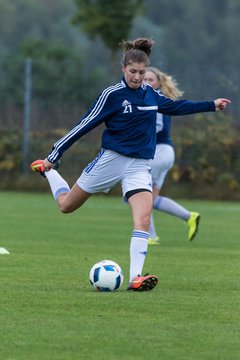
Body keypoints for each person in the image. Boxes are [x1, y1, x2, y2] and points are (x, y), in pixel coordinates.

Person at [30, 38, 230, 292]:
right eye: (133, 72)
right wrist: (54, 155)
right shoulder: (112, 95)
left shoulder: (151, 95)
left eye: (142, 73)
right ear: (123, 69)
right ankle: (49, 173)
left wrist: (211, 105)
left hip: (139, 165)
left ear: (147, 71)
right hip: (110, 160)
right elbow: (83, 126)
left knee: (143, 219)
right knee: (66, 205)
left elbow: (178, 107)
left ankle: (136, 277)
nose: (137, 77)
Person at [144, 67, 201, 245]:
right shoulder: (153, 98)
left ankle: (150, 237)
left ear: (159, 83)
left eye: (150, 80)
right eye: (144, 79)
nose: (146, 82)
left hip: (159, 152)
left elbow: (158, 127)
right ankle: (188, 216)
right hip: (165, 152)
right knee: (150, 199)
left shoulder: (155, 99)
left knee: (137, 193)